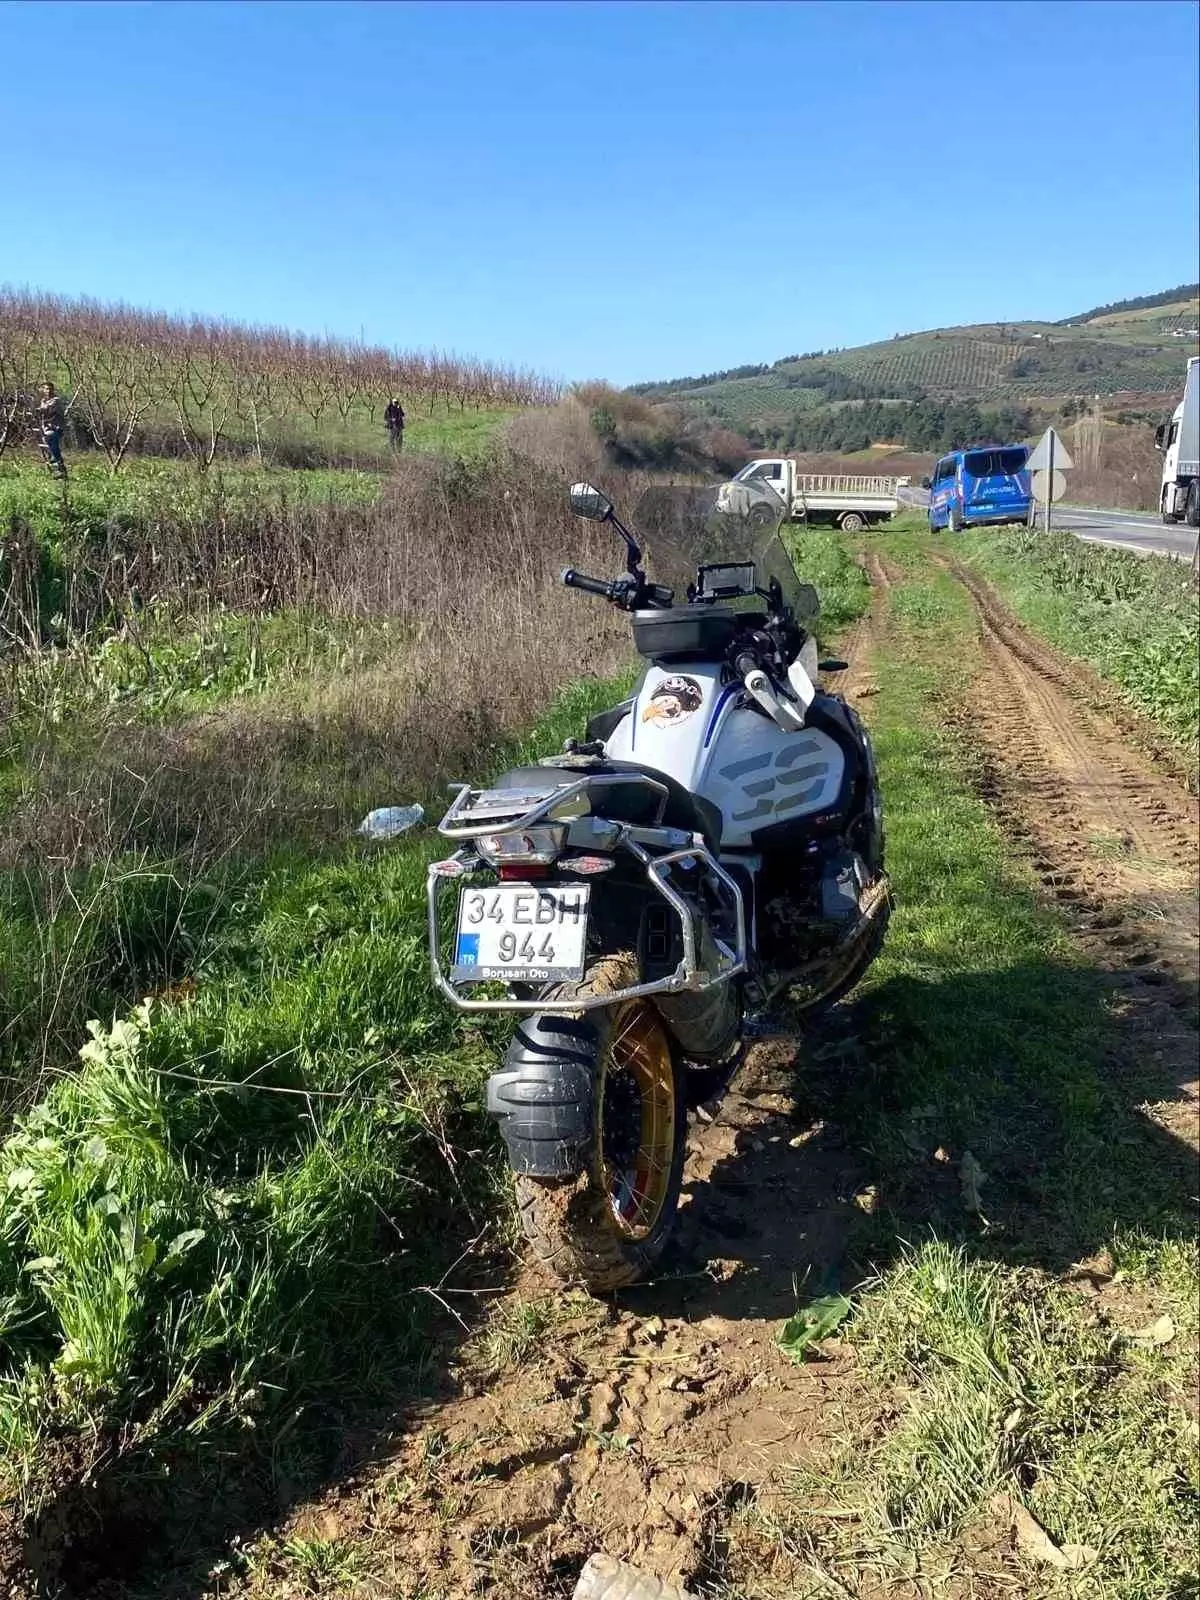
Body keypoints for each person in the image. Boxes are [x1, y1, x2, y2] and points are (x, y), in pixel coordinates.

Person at [36, 381, 68, 478]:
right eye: (46, 389)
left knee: (52, 440)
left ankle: (58, 464)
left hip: (57, 427)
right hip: (46, 427)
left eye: (50, 389)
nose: (48, 391)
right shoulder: (43, 401)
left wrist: (39, 409)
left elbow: (47, 408)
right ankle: (60, 468)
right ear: (43, 390)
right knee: (51, 446)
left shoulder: (56, 400)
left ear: (53, 390)